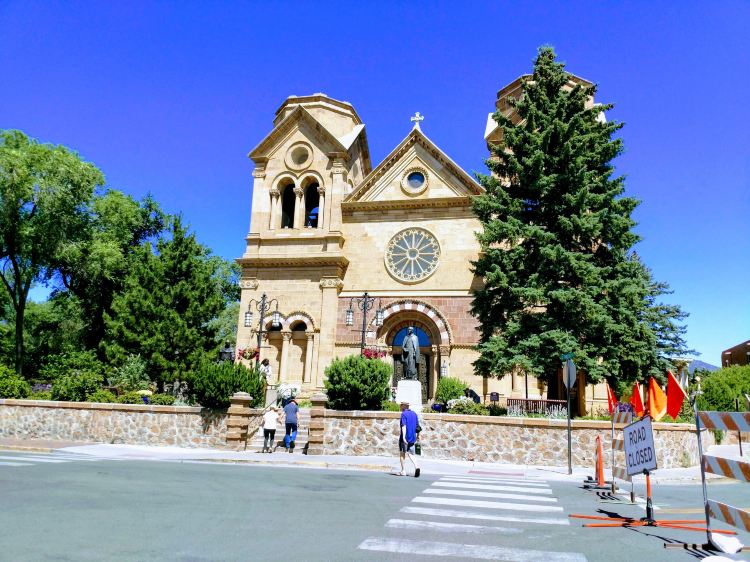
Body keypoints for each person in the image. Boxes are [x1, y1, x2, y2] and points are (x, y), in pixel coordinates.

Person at [398, 401, 420, 477]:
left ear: (404, 406)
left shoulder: (403, 414)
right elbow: (418, 427)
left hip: (405, 437)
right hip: (412, 437)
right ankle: (417, 466)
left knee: (402, 453)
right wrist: (418, 436)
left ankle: (403, 471)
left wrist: (404, 437)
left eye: (401, 405)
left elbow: (403, 425)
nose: (400, 406)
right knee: (411, 453)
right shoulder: (414, 414)